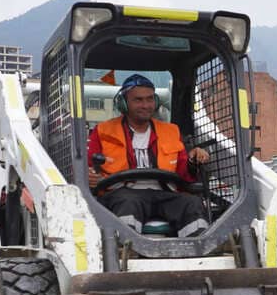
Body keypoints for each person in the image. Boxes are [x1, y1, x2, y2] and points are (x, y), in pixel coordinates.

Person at [87, 74, 211, 237]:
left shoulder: (171, 131)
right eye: (138, 100)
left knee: (192, 203)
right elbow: (88, 169)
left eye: (150, 99)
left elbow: (184, 175)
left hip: (165, 193)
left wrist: (192, 159)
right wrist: (89, 176)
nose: (146, 105)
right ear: (123, 103)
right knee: (128, 202)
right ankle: (125, 247)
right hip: (123, 194)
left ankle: (199, 249)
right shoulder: (103, 131)